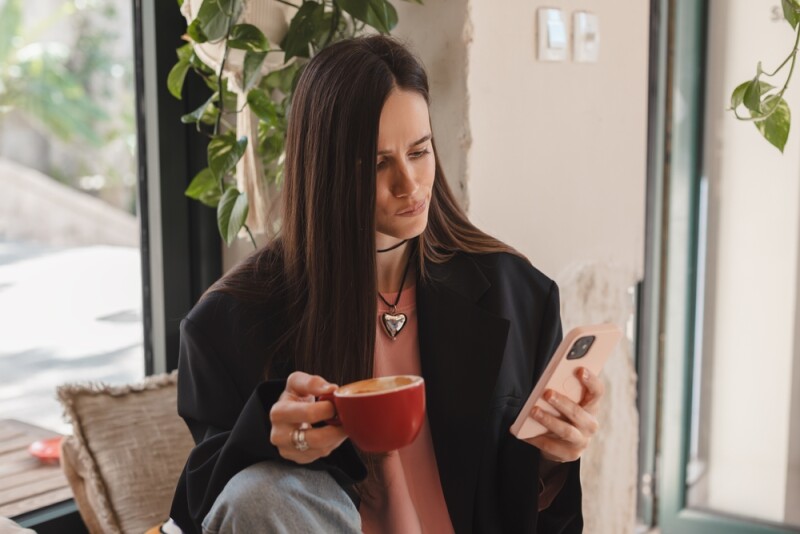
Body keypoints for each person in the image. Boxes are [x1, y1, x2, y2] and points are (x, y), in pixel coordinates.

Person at [169, 34, 604, 534]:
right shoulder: (228, 325)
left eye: (419, 151)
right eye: (379, 164)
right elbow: (201, 508)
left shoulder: (518, 295)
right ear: (324, 170)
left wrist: (554, 459)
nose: (410, 184)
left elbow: (543, 518)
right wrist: (267, 435)